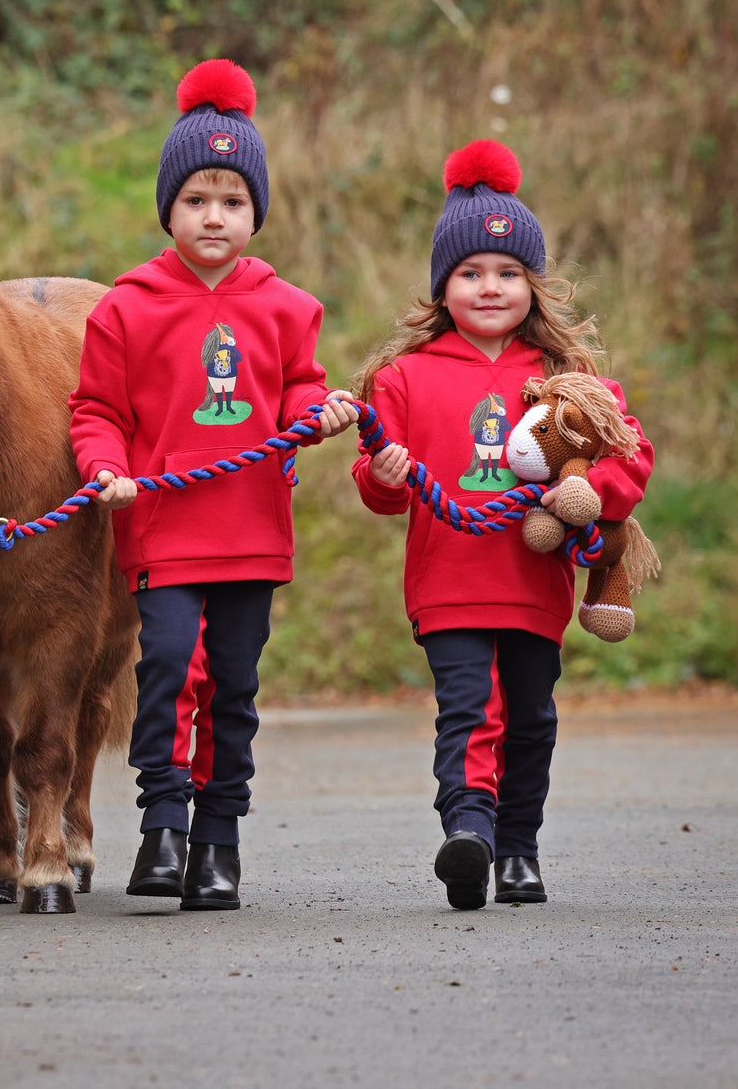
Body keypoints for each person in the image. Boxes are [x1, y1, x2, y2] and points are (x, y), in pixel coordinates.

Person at [69, 58, 357, 911]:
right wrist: (106, 469)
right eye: (196, 198)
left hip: (251, 531)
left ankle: (219, 841)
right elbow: (95, 410)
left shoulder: (286, 308)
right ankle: (163, 821)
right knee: (163, 664)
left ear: (255, 213)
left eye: (233, 200)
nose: (214, 216)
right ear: (169, 208)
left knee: (233, 685)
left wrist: (318, 408)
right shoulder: (124, 309)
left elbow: (299, 384)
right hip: (164, 528)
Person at [351, 139, 653, 910]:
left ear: (533, 283)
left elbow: (628, 454)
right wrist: (382, 476)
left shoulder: (566, 381)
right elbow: (381, 488)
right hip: (448, 581)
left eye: (508, 273)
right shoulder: (404, 379)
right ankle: (470, 835)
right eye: (471, 274)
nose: (490, 288)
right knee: (466, 711)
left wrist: (590, 497)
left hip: (532, 581)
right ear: (442, 286)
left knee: (529, 720)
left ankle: (519, 850)